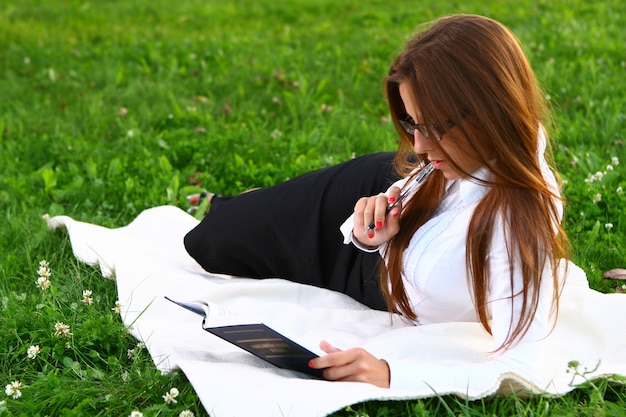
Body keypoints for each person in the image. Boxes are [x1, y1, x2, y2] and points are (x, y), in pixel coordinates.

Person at [183, 14, 569, 389]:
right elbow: (407, 190)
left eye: (436, 127)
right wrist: (371, 233)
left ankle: (252, 205)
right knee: (212, 235)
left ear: (489, 109)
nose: (419, 145)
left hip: (369, 279)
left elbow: (525, 370)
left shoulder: (516, 216)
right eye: (413, 124)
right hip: (367, 205)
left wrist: (390, 374)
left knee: (213, 243)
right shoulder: (451, 157)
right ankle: (244, 203)